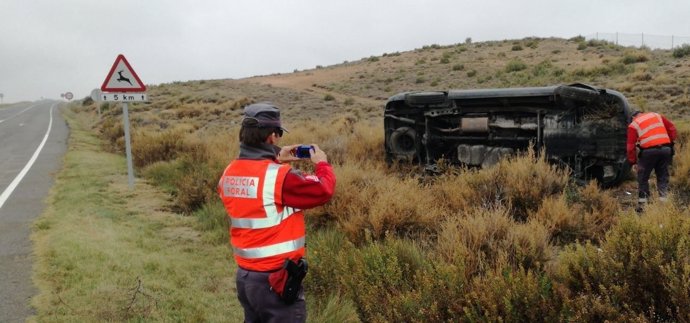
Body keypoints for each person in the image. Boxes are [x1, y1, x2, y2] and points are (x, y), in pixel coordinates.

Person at [217, 102, 336, 323]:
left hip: (245, 278)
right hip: (275, 281)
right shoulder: (279, 177)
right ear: (272, 136)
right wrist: (322, 164)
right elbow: (323, 190)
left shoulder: (229, 172)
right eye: (278, 133)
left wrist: (275, 157)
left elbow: (256, 191)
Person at [626, 110, 677, 212]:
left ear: (632, 117)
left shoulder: (633, 124)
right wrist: (670, 142)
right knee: (662, 176)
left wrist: (633, 161)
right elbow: (672, 128)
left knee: (643, 177)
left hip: (648, 152)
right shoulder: (656, 115)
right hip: (666, 150)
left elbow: (630, 146)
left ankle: (643, 206)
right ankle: (663, 204)